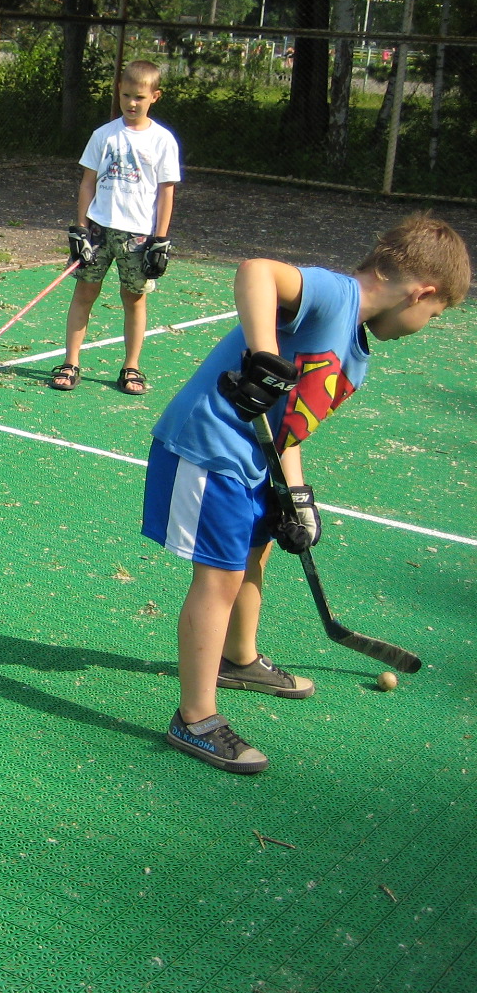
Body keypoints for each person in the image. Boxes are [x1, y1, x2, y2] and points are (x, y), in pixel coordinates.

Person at [143, 213, 469, 773]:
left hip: (255, 459)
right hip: (210, 446)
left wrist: (295, 495)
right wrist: (263, 357)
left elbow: (290, 423)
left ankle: (239, 658)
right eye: (434, 315)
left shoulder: (354, 349)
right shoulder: (337, 297)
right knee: (219, 579)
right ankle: (195, 718)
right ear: (422, 292)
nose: (425, 325)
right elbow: (257, 272)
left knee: (258, 552)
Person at [51, 59, 180, 396]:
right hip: (99, 230)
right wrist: (81, 228)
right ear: (118, 92)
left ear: (155, 96)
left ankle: (131, 367)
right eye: (126, 95)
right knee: (84, 294)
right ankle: (70, 362)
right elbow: (87, 183)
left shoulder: (162, 140)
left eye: (139, 97)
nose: (131, 103)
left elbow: (166, 192)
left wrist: (160, 239)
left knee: (134, 299)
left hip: (138, 235)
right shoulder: (103, 135)